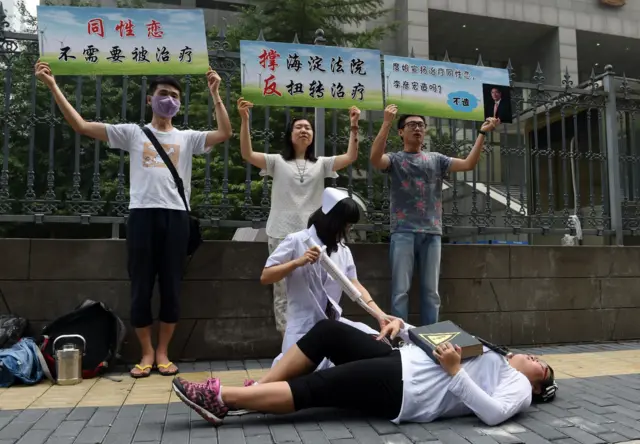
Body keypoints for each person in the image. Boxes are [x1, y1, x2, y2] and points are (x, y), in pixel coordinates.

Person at [34, 60, 233, 378]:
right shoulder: (133, 134)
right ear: (150, 99)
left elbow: (225, 132)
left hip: (177, 217)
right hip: (141, 216)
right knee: (140, 286)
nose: (169, 99)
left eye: (174, 96)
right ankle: (146, 353)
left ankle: (164, 352)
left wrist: (215, 93)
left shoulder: (187, 138)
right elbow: (82, 126)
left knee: (171, 286)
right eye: (163, 93)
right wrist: (53, 85)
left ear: (179, 104)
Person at [172, 318, 558, 427]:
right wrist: (404, 328)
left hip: (408, 389)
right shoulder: (494, 351)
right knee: (330, 331)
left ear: (540, 387)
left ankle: (225, 399)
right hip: (404, 359)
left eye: (544, 369)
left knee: (319, 386)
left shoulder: (518, 388)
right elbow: (434, 340)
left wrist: (456, 372)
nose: (536, 360)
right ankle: (258, 392)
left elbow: (491, 414)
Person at [237, 97, 361, 337]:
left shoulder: (322, 164)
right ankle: (288, 342)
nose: (304, 130)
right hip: (281, 233)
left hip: (313, 237)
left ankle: (313, 340)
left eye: (308, 127)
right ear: (290, 133)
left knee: (317, 288)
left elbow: (350, 157)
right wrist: (244, 120)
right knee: (282, 291)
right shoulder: (276, 161)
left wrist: (354, 126)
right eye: (299, 127)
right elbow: (247, 153)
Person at [370, 106, 499, 326]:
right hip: (403, 231)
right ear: (401, 132)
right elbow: (375, 159)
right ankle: (400, 338)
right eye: (411, 125)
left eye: (420, 125)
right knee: (400, 291)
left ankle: (431, 339)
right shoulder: (395, 159)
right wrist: (386, 123)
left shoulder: (437, 159)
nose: (417, 128)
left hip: (432, 232)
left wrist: (482, 133)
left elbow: (468, 163)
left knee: (431, 292)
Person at [259, 187, 391, 373]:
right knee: (295, 382)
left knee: (375, 345)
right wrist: (298, 262)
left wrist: (378, 314)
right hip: (303, 330)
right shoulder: (297, 241)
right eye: (346, 225)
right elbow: (266, 276)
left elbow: (353, 284)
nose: (348, 229)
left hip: (331, 329)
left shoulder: (343, 250)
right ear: (333, 222)